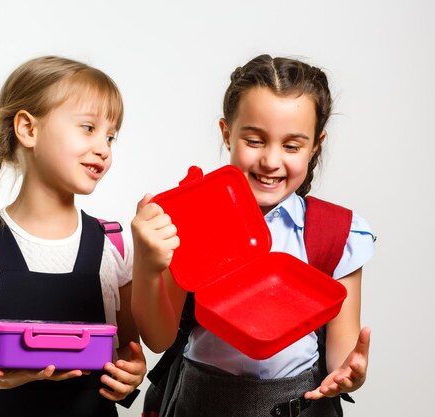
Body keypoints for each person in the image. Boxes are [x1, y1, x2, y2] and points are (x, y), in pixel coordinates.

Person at [131, 54, 375, 417]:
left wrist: (349, 373)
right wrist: (148, 265)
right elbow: (158, 337)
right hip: (202, 401)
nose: (271, 161)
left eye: (292, 146)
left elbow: (342, 350)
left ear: (315, 145)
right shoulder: (190, 218)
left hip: (301, 404)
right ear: (227, 132)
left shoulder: (337, 232)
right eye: (255, 140)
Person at [0, 56, 146, 417]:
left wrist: (131, 372)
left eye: (110, 136)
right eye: (88, 128)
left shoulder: (114, 245)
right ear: (28, 129)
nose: (104, 148)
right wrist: (0, 379)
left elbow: (126, 350)